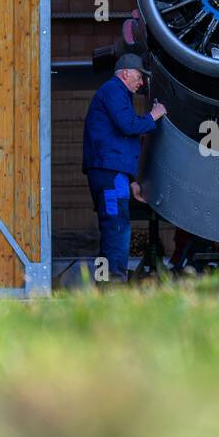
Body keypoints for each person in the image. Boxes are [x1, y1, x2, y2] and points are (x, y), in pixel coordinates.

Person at [82, 54, 166, 281]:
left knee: (112, 225)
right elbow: (128, 126)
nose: (140, 83)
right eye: (139, 77)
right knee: (117, 226)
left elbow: (118, 138)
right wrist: (154, 115)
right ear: (125, 73)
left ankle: (105, 282)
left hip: (113, 172)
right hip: (109, 173)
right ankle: (115, 284)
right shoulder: (114, 91)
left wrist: (131, 181)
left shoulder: (116, 95)